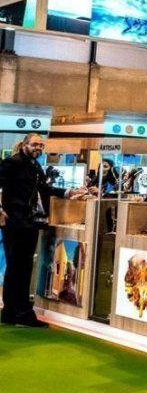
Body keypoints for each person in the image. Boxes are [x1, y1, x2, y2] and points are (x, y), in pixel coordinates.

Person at [0, 133, 87, 327]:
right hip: (15, 222)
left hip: (29, 222)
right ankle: (20, 312)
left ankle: (12, 312)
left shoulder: (35, 166)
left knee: (19, 268)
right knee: (18, 268)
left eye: (41, 145)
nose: (38, 148)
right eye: (34, 144)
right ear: (25, 144)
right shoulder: (12, 163)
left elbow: (44, 189)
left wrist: (68, 192)